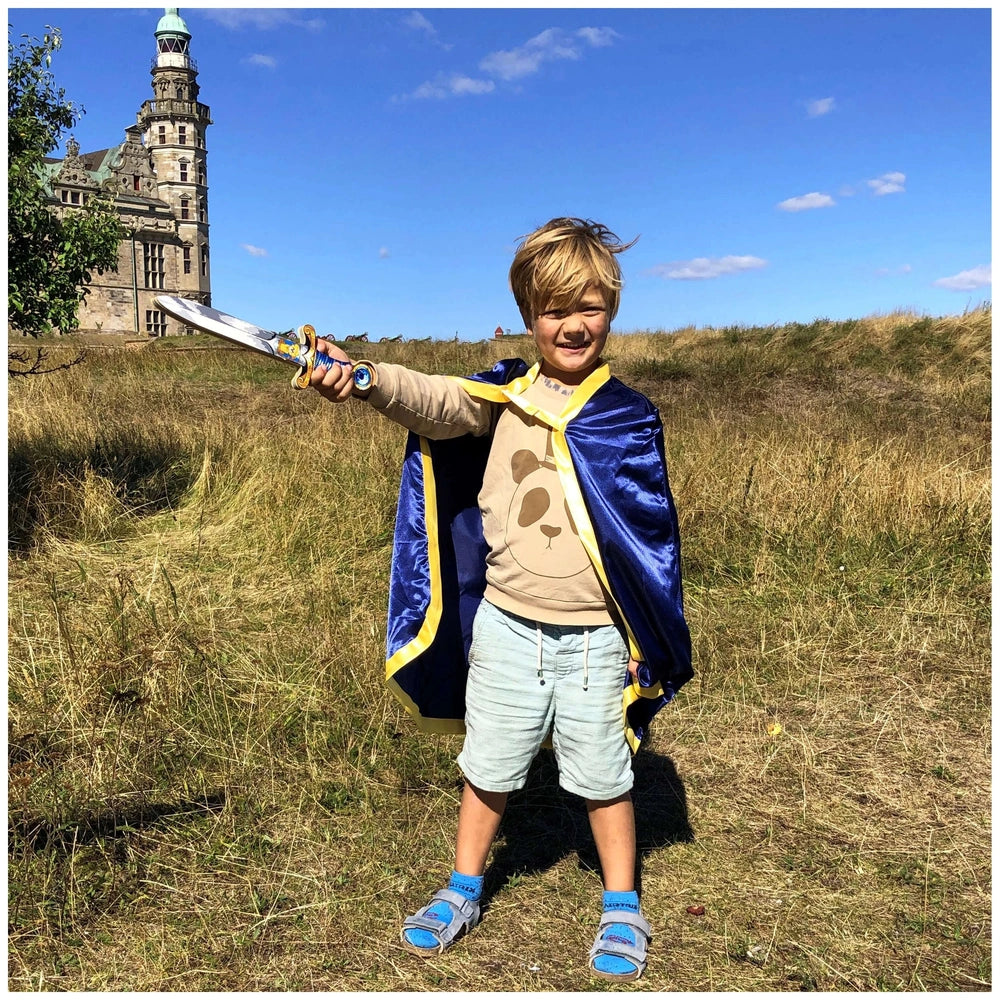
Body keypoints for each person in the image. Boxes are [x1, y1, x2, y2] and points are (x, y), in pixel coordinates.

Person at [310, 217, 692, 982]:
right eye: (554, 310)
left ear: (610, 310)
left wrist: (644, 644)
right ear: (529, 315)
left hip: (596, 641)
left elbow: (644, 538)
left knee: (604, 774)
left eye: (587, 306)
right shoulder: (504, 395)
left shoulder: (626, 415)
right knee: (488, 765)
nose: (572, 323)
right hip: (509, 629)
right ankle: (463, 888)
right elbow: (438, 400)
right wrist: (363, 378)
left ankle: (621, 903)